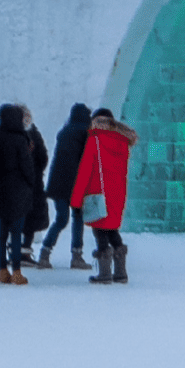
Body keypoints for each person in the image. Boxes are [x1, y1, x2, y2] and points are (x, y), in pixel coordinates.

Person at [71, 108, 138, 285]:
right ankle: (121, 272)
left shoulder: (95, 140)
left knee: (100, 230)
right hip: (117, 193)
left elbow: (85, 171)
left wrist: (76, 199)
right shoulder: (123, 141)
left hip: (98, 193)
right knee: (112, 230)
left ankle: (105, 274)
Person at [0, 103, 49, 284]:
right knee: (16, 232)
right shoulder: (20, 139)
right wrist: (31, 179)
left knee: (2, 232)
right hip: (19, 190)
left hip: (1, 189)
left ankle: (2, 269)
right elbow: (27, 166)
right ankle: (16, 270)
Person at [37, 103, 94, 270]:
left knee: (61, 219)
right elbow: (87, 159)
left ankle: (45, 252)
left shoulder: (64, 132)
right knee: (78, 218)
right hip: (76, 184)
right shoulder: (85, 133)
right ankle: (77, 255)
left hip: (58, 184)